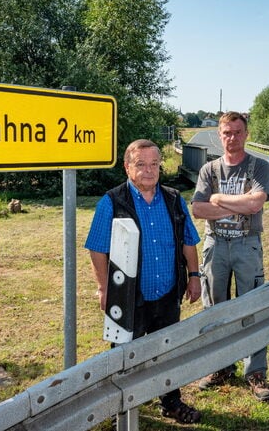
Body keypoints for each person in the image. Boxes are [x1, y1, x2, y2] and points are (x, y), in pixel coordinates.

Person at [84, 139, 203, 424]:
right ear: (127, 167)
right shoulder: (112, 201)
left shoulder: (174, 199)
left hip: (167, 293)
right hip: (127, 297)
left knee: (167, 351)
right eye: (141, 164)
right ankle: (120, 412)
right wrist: (104, 288)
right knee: (124, 355)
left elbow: (188, 241)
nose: (149, 171)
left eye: (154, 164)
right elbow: (96, 249)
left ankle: (171, 402)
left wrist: (195, 276)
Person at [191, 111, 269, 401]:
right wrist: (236, 206)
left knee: (252, 308)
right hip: (215, 245)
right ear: (219, 135)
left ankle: (255, 373)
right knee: (215, 310)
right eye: (227, 133)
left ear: (246, 134)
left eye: (238, 132)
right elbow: (198, 209)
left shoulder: (259, 167)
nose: (232, 138)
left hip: (246, 244)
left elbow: (256, 203)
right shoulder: (209, 170)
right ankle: (220, 367)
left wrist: (218, 199)